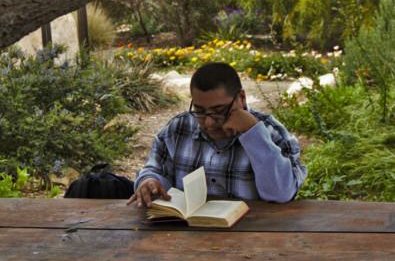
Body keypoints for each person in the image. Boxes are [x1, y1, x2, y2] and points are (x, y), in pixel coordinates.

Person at [127, 62, 307, 208]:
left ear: (241, 99)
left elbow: (282, 194)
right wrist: (149, 181)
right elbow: (155, 169)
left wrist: (253, 134)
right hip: (185, 237)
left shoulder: (273, 133)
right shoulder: (178, 129)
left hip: (253, 238)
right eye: (199, 111)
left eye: (219, 111)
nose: (209, 123)